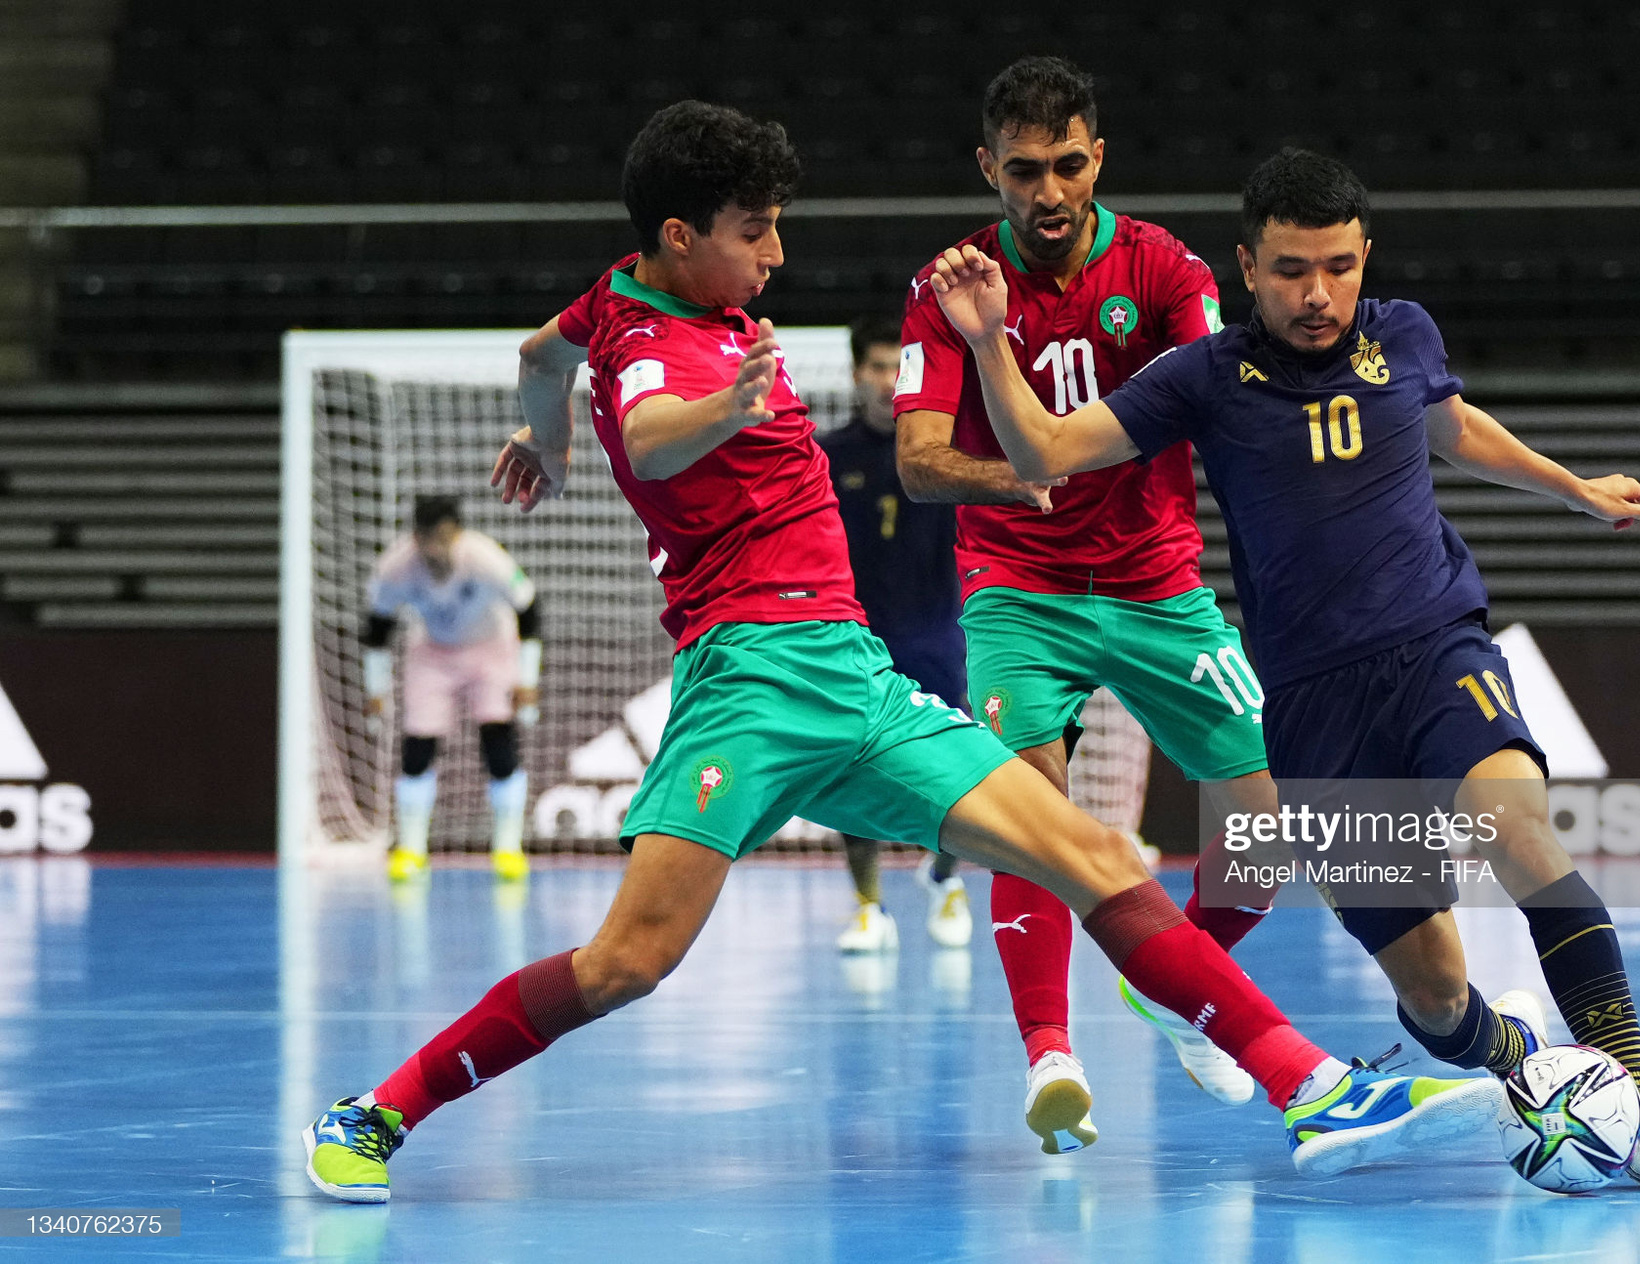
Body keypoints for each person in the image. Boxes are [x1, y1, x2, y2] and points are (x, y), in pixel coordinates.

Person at [301, 103, 1500, 1204]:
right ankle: (379, 1112)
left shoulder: (616, 302)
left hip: (857, 676)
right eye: (754, 234)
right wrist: (707, 416)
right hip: (752, 681)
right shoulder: (673, 351)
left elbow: (539, 353)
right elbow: (659, 436)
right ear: (679, 233)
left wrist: (549, 439)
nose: (774, 259)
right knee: (628, 961)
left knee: (1084, 844)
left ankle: (1311, 1090)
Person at [926, 146, 1640, 1192]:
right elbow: (1036, 452)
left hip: (1434, 646)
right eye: (1293, 271)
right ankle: (1520, 1067)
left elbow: (1453, 429)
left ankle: (1637, 1108)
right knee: (1438, 997)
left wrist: (1571, 487)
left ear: (1364, 260)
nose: (1318, 295)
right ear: (1246, 267)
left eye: (1339, 268)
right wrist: (990, 346)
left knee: (1517, 829)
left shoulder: (1402, 333)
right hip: (1313, 708)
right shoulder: (1200, 377)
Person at [896, 56, 1279, 1145]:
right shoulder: (949, 287)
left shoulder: (1162, 268)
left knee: (1270, 827)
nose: (1049, 193)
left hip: (1158, 581)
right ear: (988, 168)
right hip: (1016, 585)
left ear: (1096, 157)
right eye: (1023, 172)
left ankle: (1172, 986)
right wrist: (1016, 473)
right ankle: (1048, 1053)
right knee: (1034, 824)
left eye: (1067, 165)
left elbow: (1218, 399)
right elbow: (921, 460)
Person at [819, 316, 974, 952]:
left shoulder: (942, 449)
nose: (889, 381)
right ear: (857, 374)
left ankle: (943, 876)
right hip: (855, 636)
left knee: (959, 773)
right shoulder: (825, 455)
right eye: (879, 367)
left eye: (900, 368)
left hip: (938, 632)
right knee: (849, 769)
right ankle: (867, 905)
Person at [361, 494, 540, 882]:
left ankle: (508, 850)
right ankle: (411, 850)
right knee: (418, 747)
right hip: (432, 652)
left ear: (457, 535)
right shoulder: (397, 566)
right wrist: (375, 689)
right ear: (415, 537)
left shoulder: (485, 558)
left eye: (442, 538)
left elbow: (529, 609)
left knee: (498, 743)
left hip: (490, 648)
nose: (434, 549)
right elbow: (376, 627)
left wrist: (528, 680)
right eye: (425, 539)